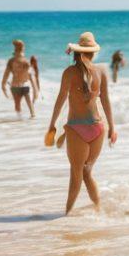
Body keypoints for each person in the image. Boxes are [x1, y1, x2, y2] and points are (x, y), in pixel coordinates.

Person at [47, 33, 117, 214]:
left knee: (76, 174)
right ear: (92, 53)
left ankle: (66, 215)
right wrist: (112, 127)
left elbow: (60, 100)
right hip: (98, 128)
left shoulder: (69, 73)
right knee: (87, 173)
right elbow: (106, 101)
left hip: (77, 129)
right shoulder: (101, 71)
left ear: (76, 53)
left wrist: (52, 124)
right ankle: (98, 211)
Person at [1, 40, 37, 118]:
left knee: (18, 105)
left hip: (16, 86)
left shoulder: (13, 61)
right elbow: (30, 77)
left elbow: (6, 74)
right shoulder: (25, 61)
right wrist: (35, 89)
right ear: (22, 49)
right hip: (23, 85)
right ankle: (28, 119)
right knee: (29, 104)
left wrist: (3, 84)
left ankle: (20, 120)